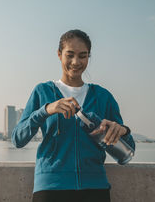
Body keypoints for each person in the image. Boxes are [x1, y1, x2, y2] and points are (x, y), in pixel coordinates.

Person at [11, 29, 135, 202]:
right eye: (70, 55)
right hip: (50, 188)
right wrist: (46, 110)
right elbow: (17, 139)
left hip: (95, 188)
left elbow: (127, 153)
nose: (76, 62)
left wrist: (122, 130)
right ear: (59, 54)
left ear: (88, 57)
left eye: (83, 56)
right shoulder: (43, 91)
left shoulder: (103, 96)